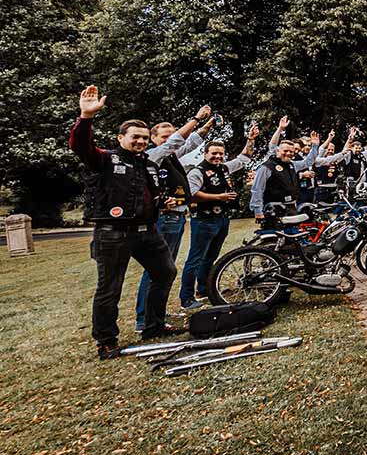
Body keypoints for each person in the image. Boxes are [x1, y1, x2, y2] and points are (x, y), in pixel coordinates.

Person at [69, 86, 184, 358]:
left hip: (148, 232)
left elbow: (145, 194)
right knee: (109, 288)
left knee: (166, 271)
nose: (141, 141)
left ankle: (153, 326)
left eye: (145, 138)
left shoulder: (147, 163)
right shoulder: (104, 159)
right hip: (113, 234)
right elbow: (80, 146)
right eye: (136, 137)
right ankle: (107, 340)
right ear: (121, 137)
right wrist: (85, 117)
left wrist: (160, 203)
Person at [132, 104, 214, 331]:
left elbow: (190, 142)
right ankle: (144, 320)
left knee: (165, 270)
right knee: (156, 269)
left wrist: (207, 126)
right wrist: (196, 118)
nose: (171, 140)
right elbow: (178, 141)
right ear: (154, 140)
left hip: (176, 217)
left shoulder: (169, 156)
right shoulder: (152, 155)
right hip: (164, 218)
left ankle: (155, 312)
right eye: (165, 137)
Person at [179, 126, 259, 308]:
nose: (218, 157)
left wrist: (251, 139)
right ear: (205, 153)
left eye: (221, 154)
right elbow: (191, 194)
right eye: (214, 153)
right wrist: (219, 197)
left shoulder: (223, 168)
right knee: (195, 258)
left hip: (221, 219)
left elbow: (243, 158)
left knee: (211, 257)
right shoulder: (197, 172)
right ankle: (186, 297)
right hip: (203, 220)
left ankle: (204, 289)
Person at [249, 133, 321, 225]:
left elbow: (307, 162)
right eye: (285, 151)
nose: (289, 153)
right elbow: (257, 190)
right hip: (273, 209)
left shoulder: (292, 165)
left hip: (291, 208)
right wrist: (258, 211)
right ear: (278, 151)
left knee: (293, 236)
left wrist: (315, 146)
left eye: (291, 152)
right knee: (275, 237)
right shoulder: (266, 167)